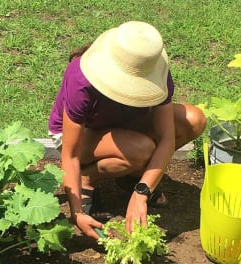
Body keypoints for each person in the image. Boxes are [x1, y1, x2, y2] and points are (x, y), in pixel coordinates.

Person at [48, 21, 206, 239]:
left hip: (124, 124)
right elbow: (71, 153)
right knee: (141, 149)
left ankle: (133, 177)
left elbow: (167, 139)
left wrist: (141, 192)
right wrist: (76, 212)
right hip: (79, 136)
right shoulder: (81, 78)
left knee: (193, 119)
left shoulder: (156, 72)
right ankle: (87, 178)